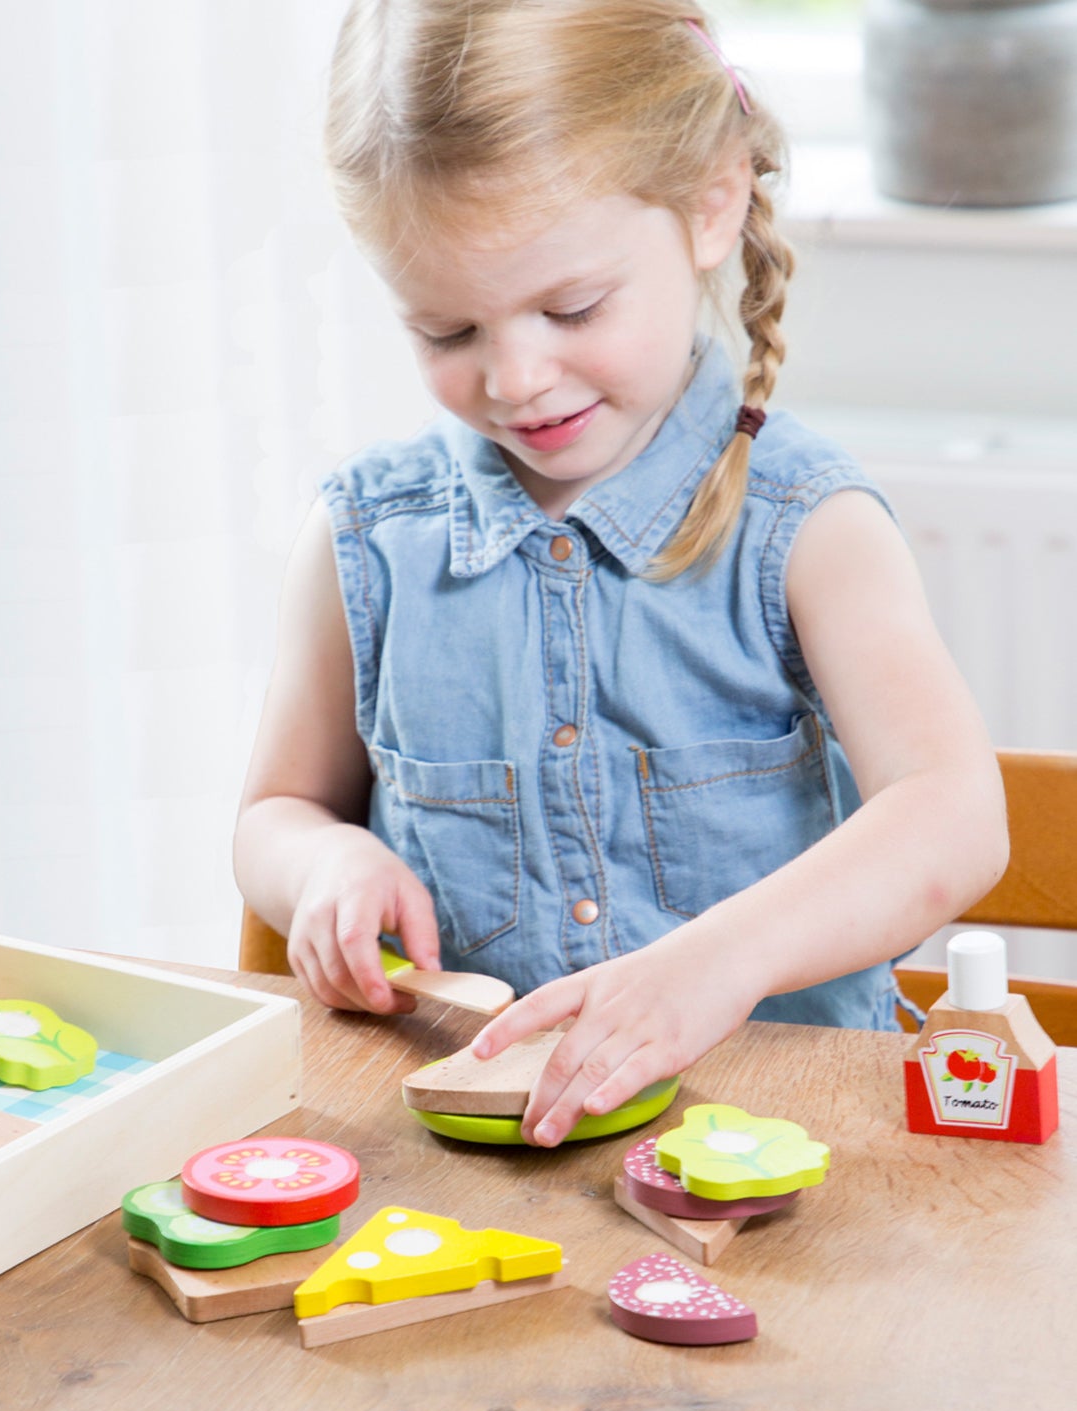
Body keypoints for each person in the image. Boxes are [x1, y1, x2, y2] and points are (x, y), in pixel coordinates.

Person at [233, 0, 1008, 1146]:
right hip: (473, 1161)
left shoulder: (806, 525)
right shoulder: (367, 541)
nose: (516, 378)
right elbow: (274, 815)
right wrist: (324, 867)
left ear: (710, 205)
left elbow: (953, 818)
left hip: (790, 1155)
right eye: (448, 333)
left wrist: (718, 965)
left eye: (572, 307)